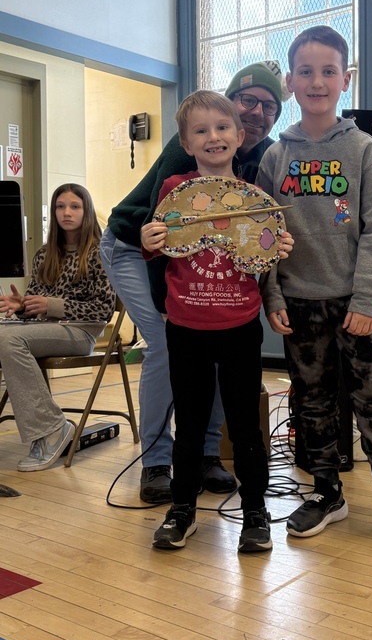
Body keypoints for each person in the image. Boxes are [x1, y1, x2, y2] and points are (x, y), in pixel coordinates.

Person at [257, 26, 372, 556]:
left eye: (329, 71)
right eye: (307, 72)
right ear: (291, 80)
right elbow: (263, 233)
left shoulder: (364, 150)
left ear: (346, 79)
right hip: (297, 302)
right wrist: (272, 296)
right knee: (311, 401)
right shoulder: (277, 157)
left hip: (355, 305)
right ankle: (327, 491)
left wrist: (365, 301)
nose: (318, 81)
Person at [100, 60, 288, 504]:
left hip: (195, 261)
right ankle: (156, 462)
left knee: (217, 343)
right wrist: (167, 300)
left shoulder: (259, 156)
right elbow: (157, 226)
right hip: (135, 244)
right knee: (168, 343)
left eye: (270, 105)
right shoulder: (192, 147)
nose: (257, 112)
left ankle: (206, 455)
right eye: (248, 101)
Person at [141, 90, 293, 554]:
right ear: (186, 143)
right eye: (201, 131)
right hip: (186, 325)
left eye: (222, 128)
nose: (214, 137)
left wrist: (277, 250)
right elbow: (155, 247)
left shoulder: (255, 197)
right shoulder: (172, 190)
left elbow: (265, 258)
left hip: (240, 325)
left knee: (245, 425)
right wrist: (148, 239)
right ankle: (182, 509)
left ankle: (255, 512)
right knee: (188, 424)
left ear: (240, 135)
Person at [0, 184, 115, 471]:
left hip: (81, 332)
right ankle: (49, 427)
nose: (66, 212)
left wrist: (52, 306)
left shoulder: (100, 252)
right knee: (5, 335)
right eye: (60, 206)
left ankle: (52, 429)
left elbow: (104, 310)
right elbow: (35, 308)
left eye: (74, 206)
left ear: (86, 211)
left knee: (7, 339)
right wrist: (23, 306)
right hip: (44, 331)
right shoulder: (44, 254)